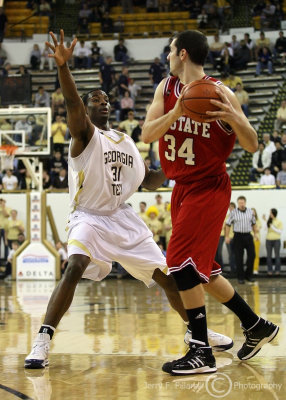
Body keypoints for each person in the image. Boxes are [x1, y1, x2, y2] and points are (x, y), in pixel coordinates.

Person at [24, 30, 232, 370]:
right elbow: (74, 105)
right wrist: (63, 67)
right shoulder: (84, 137)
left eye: (106, 99)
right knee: (74, 265)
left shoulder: (124, 141)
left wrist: (189, 158)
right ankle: (43, 339)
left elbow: (150, 180)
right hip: (88, 217)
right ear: (87, 110)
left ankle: (199, 336)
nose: (102, 102)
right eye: (95, 99)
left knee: (168, 276)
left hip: (121, 217)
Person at [142, 30, 278, 376]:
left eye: (170, 51)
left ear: (182, 54)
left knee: (178, 262)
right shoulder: (167, 89)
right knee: (204, 271)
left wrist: (232, 117)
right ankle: (256, 325)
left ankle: (201, 350)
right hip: (181, 187)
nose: (167, 57)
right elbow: (147, 134)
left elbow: (251, 143)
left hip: (209, 186)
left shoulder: (220, 93)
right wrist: (176, 114)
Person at [264, 209, 283, 276]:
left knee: (277, 255)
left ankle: (277, 270)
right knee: (269, 256)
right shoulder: (269, 221)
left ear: (274, 213)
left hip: (276, 240)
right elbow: (265, 230)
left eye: (271, 213)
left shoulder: (279, 221)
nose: (270, 214)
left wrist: (272, 226)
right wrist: (266, 222)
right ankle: (270, 270)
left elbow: (279, 232)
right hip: (268, 240)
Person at [251, 208, 261, 275]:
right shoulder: (247, 220)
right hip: (249, 239)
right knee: (250, 255)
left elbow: (257, 229)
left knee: (256, 255)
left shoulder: (258, 221)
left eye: (253, 212)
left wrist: (252, 226)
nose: (252, 213)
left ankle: (255, 269)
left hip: (256, 239)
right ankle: (250, 268)